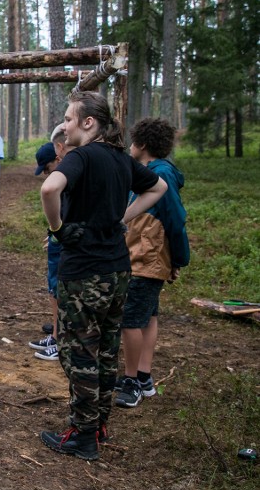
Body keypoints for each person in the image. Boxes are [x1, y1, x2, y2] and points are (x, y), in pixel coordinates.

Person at [39, 91, 166, 461]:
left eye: (68, 118)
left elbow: (50, 187)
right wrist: (122, 218)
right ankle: (100, 424)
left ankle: (82, 434)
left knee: (78, 351)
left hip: (83, 273)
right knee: (107, 350)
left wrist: (58, 228)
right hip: (118, 270)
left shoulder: (82, 156)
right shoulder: (121, 159)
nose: (64, 125)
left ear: (88, 122)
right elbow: (157, 188)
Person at [115, 118, 189, 408]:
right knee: (149, 316)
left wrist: (179, 258)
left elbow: (176, 219)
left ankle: (132, 380)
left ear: (142, 145)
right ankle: (143, 376)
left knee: (130, 319)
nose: (130, 146)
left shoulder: (162, 175)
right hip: (142, 255)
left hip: (147, 258)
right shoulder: (148, 171)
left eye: (133, 141)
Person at [28, 126, 71, 362]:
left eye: (47, 168)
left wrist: (58, 232)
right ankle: (55, 336)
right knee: (54, 289)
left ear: (58, 156)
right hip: (58, 239)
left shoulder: (68, 173)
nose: (46, 174)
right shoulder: (61, 174)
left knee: (61, 290)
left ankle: (60, 340)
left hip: (65, 242)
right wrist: (53, 233)